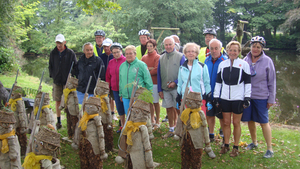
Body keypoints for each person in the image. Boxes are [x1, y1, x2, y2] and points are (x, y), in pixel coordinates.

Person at [177, 42, 216, 158]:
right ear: (185, 53)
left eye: (193, 51)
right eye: (188, 51)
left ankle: (206, 146)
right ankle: (188, 144)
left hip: (199, 99)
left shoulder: (202, 66)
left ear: (197, 53)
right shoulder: (182, 67)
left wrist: (208, 98)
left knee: (200, 123)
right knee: (187, 121)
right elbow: (180, 83)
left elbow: (207, 82)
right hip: (186, 98)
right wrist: (178, 97)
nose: (191, 53)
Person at [213, 41, 251, 157]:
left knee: (236, 123)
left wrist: (247, 97)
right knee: (226, 122)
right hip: (224, 97)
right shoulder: (222, 65)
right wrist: (216, 96)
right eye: (230, 50)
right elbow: (218, 82)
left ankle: (236, 146)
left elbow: (248, 83)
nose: (232, 52)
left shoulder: (244, 64)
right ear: (227, 51)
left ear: (239, 52)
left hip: (238, 97)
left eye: (235, 50)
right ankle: (226, 144)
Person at [242, 36, 276, 158]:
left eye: (258, 47)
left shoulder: (267, 61)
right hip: (247, 96)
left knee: (263, 122)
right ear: (250, 47)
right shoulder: (245, 60)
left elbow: (272, 81)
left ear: (262, 48)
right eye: (253, 46)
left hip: (261, 96)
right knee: (250, 120)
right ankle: (254, 142)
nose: (255, 49)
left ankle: (269, 148)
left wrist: (271, 99)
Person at [157, 36, 185, 138]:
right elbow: (159, 74)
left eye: (170, 44)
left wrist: (176, 82)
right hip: (165, 89)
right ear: (164, 45)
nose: (168, 46)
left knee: (178, 109)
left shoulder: (180, 56)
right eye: (166, 45)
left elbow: (184, 73)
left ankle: (180, 129)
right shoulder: (161, 57)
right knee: (169, 109)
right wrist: (159, 89)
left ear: (174, 45)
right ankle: (171, 128)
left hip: (177, 88)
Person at [49, 34, 77, 129]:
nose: (59, 45)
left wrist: (71, 76)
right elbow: (50, 65)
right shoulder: (53, 53)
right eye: (57, 43)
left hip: (67, 82)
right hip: (57, 80)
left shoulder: (70, 53)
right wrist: (52, 75)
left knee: (68, 102)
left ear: (64, 42)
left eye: (60, 43)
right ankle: (59, 121)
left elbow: (75, 66)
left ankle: (69, 121)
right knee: (57, 101)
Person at [119, 45, 153, 115]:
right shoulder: (122, 66)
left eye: (130, 53)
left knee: (138, 117)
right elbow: (121, 81)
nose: (128, 55)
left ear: (135, 54)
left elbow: (148, 80)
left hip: (138, 97)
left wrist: (149, 94)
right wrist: (121, 93)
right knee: (128, 116)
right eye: (126, 54)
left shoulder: (142, 65)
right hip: (126, 97)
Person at [204, 39, 227, 142]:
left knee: (222, 117)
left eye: (216, 48)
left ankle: (224, 136)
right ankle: (211, 134)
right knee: (210, 115)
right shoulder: (206, 60)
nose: (213, 51)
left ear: (220, 49)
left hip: (221, 95)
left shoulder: (225, 60)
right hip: (209, 93)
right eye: (211, 48)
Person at [106, 43, 126, 133]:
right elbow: (108, 76)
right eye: (114, 53)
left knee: (126, 107)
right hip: (115, 89)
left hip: (125, 89)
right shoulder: (111, 62)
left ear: (121, 51)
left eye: (117, 52)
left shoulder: (125, 61)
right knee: (119, 108)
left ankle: (128, 125)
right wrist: (108, 87)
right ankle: (122, 125)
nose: (116, 54)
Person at [141, 39, 161, 129]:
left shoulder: (157, 57)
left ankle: (157, 121)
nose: (149, 48)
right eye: (147, 46)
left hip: (155, 83)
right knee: (149, 102)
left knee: (155, 102)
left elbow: (156, 70)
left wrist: (147, 70)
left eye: (151, 46)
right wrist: (149, 69)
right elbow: (141, 69)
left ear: (155, 47)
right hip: (146, 83)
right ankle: (152, 119)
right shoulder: (144, 57)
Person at [100, 38, 117, 121]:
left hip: (113, 79)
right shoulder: (101, 57)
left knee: (112, 98)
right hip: (103, 79)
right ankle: (105, 113)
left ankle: (112, 113)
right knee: (104, 97)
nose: (106, 48)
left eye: (107, 46)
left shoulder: (114, 55)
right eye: (104, 47)